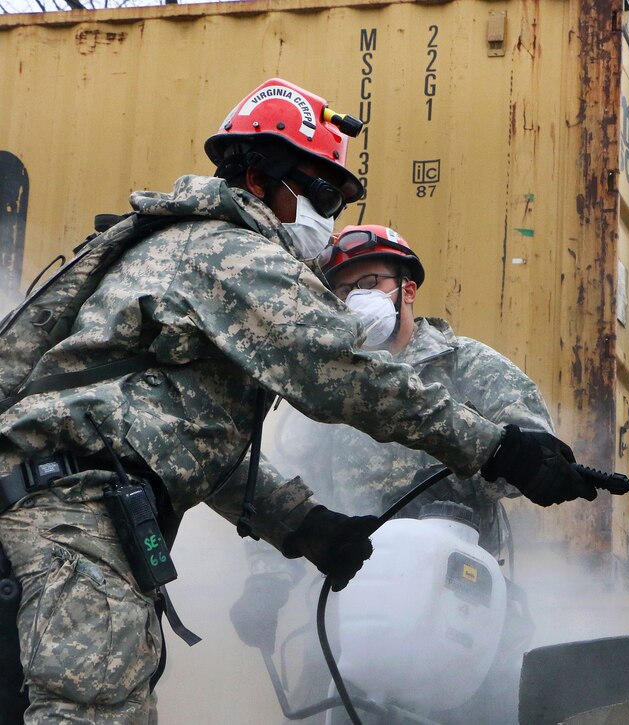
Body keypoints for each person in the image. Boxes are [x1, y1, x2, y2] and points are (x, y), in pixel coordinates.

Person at [0, 78, 595, 723]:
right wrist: (496, 446)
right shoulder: (229, 251)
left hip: (69, 521)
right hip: (76, 527)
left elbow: (183, 444)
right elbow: (342, 372)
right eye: (318, 190)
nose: (326, 214)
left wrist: (302, 526)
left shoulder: (189, 251)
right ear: (260, 178)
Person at [232, 224, 552, 723]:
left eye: (369, 284)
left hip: (464, 608)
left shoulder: (468, 367)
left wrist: (472, 477)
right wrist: (267, 581)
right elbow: (286, 489)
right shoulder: (327, 387)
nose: (353, 299)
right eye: (341, 290)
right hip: (360, 613)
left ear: (408, 290)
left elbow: (538, 460)